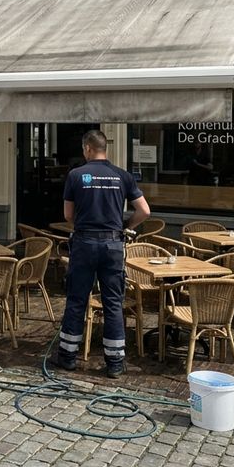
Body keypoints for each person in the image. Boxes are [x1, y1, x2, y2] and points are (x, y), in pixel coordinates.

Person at [51, 130, 150, 378]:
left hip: (84, 243)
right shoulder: (123, 176)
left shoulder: (75, 175)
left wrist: (85, 224)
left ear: (87, 148)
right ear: (105, 149)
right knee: (113, 302)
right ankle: (115, 362)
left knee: (77, 299)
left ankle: (67, 357)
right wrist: (125, 226)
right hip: (113, 245)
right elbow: (145, 211)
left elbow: (68, 215)